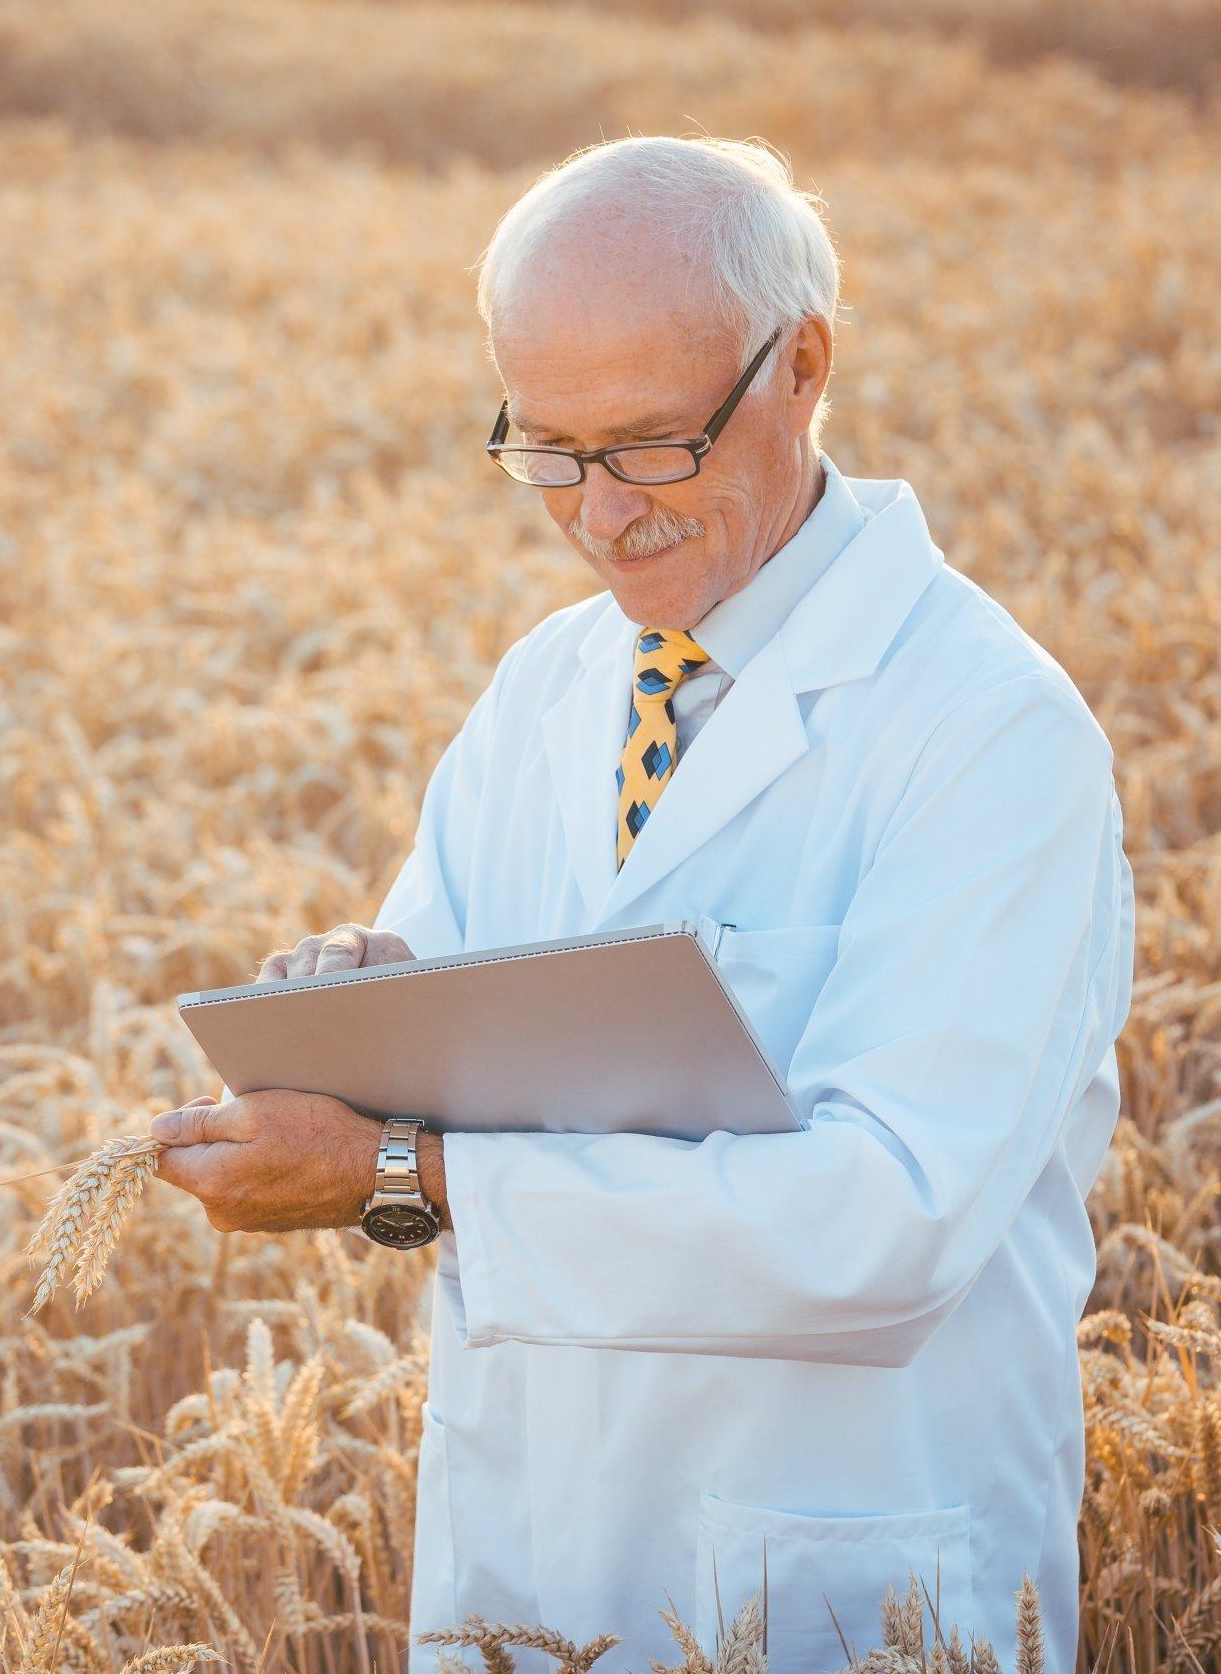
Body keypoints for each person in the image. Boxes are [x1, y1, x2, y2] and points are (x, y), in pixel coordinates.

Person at [144, 135, 1134, 1672]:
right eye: (546, 449)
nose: (600, 513)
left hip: (836, 1585)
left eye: (651, 446)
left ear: (803, 365)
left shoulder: (989, 733)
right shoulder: (548, 686)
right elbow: (438, 1100)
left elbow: (888, 1225)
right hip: (532, 1564)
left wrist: (407, 1158)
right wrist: (353, 1023)